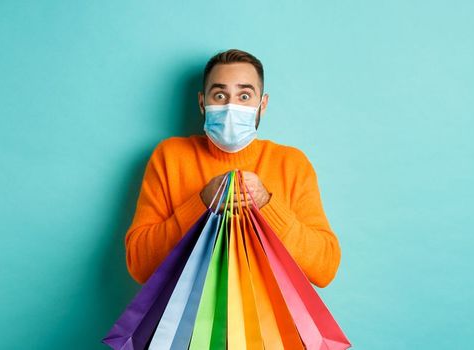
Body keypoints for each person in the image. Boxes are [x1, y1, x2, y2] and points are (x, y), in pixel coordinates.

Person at [124, 49, 341, 288]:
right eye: (219, 95)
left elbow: (325, 268)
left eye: (244, 96)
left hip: (269, 323)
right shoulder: (169, 158)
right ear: (202, 102)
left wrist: (266, 203)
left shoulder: (292, 164)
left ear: (263, 104)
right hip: (185, 323)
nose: (231, 106)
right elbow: (140, 265)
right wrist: (201, 204)